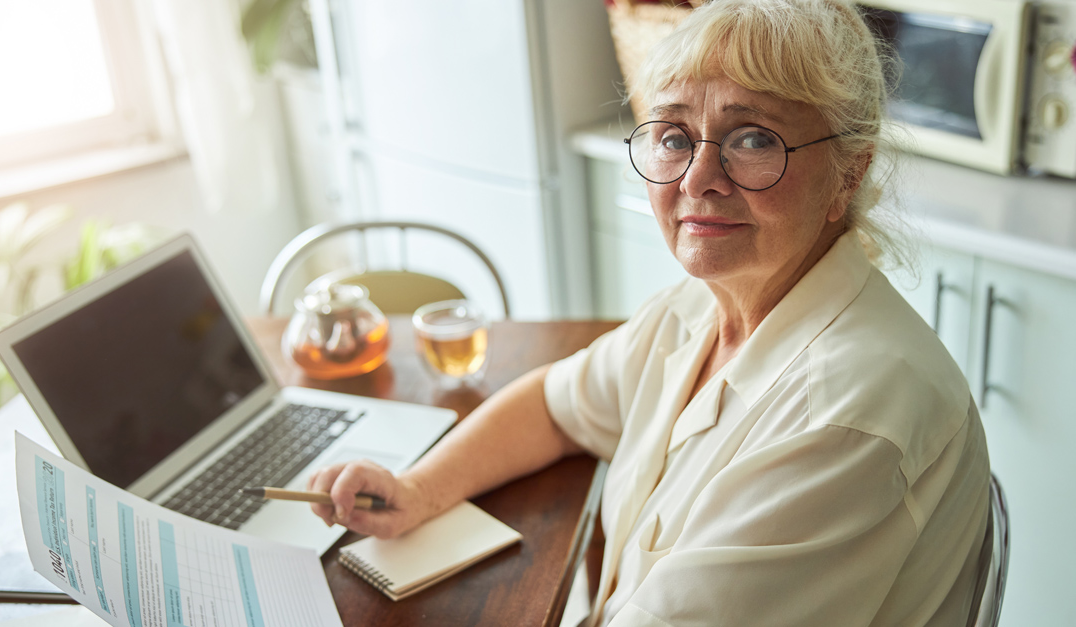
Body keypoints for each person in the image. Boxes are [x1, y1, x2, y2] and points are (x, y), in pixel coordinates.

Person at [308, 0, 991, 624]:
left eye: (753, 138)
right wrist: (419, 489)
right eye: (672, 135)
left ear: (847, 173)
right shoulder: (696, 310)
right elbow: (556, 404)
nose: (697, 177)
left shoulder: (848, 414)